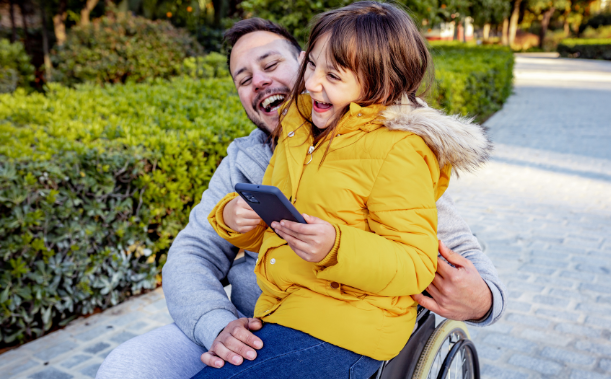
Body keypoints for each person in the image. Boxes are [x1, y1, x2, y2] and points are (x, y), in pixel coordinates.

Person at [96, 15, 505, 379]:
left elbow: (436, 244)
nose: (259, 80)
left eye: (271, 64)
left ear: (300, 60)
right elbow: (192, 252)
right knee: (125, 367)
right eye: (243, 78)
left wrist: (484, 300)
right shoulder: (249, 157)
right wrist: (215, 322)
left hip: (334, 324)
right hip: (251, 316)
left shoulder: (392, 148)